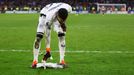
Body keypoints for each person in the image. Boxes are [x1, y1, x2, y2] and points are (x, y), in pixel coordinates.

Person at [32, 2, 72, 68]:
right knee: (39, 37)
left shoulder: (69, 8)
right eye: (61, 20)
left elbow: (62, 19)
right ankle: (35, 61)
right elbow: (47, 34)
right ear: (58, 16)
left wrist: (62, 23)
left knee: (62, 36)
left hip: (56, 14)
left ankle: (62, 60)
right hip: (45, 14)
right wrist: (48, 50)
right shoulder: (49, 17)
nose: (62, 21)